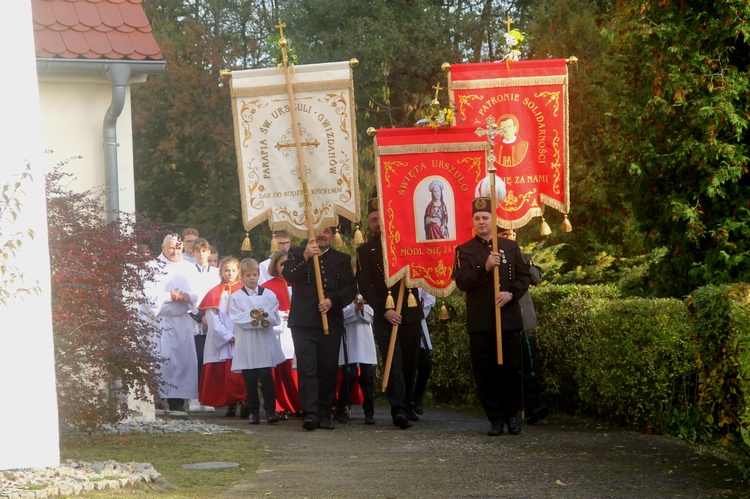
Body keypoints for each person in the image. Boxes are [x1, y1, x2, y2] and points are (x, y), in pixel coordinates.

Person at [451, 197, 531, 436]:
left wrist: (510, 293)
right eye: (477, 218)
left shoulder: (510, 247)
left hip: (507, 320)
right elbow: (462, 282)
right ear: (473, 222)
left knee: (512, 370)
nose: (482, 221)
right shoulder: (464, 250)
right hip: (481, 321)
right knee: (485, 372)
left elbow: (524, 277)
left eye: (486, 217)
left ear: (493, 220)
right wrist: (484, 267)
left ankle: (511, 417)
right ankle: (495, 418)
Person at [357, 191, 423, 429]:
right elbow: (364, 284)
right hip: (385, 314)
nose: (378, 224)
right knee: (392, 361)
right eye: (374, 219)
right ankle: (398, 410)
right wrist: (383, 310)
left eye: (381, 218)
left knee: (410, 361)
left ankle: (408, 402)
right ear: (369, 222)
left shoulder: (407, 242)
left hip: (411, 310)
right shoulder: (365, 251)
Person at [282, 226, 356, 431]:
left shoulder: (341, 258)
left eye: (327, 231)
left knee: (327, 369)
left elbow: (350, 288)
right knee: (307, 369)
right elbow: (289, 275)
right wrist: (306, 256)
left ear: (332, 235)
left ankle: (324, 413)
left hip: (330, 322)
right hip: (303, 323)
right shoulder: (297, 252)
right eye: (318, 230)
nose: (322, 235)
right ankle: (310, 413)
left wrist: (333, 300)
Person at [140, 233, 199, 412]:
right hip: (160, 322)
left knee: (182, 362)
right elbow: (146, 296)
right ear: (163, 247)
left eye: (178, 247)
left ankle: (178, 402)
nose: (175, 251)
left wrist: (189, 296)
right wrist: (168, 297)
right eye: (171, 247)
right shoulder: (150, 267)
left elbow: (198, 292)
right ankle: (157, 399)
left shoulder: (189, 267)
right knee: (161, 361)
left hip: (182, 321)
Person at [499, 228, 548, 425]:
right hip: (505, 320)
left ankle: (532, 407)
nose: (510, 238)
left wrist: (521, 258)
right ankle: (510, 408)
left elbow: (536, 278)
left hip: (524, 319)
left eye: (512, 235)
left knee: (530, 367)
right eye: (504, 235)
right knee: (510, 368)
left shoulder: (523, 257)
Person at [229, 258, 284, 424]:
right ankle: (253, 411)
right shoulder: (236, 297)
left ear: (259, 275)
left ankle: (270, 411)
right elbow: (236, 318)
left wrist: (265, 314)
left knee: (266, 377)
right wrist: (254, 315)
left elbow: (276, 316)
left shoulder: (268, 294)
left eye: (254, 274)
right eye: (248, 275)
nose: (252, 278)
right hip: (247, 341)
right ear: (242, 277)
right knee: (250, 378)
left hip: (264, 341)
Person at [197, 256, 247, 415]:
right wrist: (226, 336)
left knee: (240, 374)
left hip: (241, 336)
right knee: (224, 375)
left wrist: (239, 335)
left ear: (238, 271)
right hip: (221, 339)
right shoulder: (214, 292)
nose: (230, 273)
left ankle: (244, 402)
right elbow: (212, 318)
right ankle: (230, 404)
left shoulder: (245, 291)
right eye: (227, 270)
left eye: (233, 270)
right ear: (221, 272)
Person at [261, 250, 301, 418]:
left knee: (295, 370)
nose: (285, 267)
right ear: (275, 265)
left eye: (288, 264)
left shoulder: (299, 284)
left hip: (296, 331)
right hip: (277, 332)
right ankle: (280, 405)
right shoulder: (266, 287)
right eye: (282, 264)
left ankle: (299, 403)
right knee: (278, 369)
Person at [187, 237, 220, 413]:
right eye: (198, 251)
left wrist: (211, 317)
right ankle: (194, 397)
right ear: (193, 253)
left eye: (204, 251)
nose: (201, 254)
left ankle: (208, 397)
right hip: (194, 322)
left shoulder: (216, 273)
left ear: (209, 252)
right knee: (196, 360)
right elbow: (187, 299)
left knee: (209, 361)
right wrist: (200, 316)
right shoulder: (187, 272)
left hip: (213, 320)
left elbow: (219, 297)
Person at [335, 287, 377, 425]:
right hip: (350, 337)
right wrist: (354, 309)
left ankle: (369, 412)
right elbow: (340, 315)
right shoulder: (344, 291)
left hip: (364, 337)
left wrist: (363, 308)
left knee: (367, 376)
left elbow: (372, 315)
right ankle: (340, 408)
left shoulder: (368, 291)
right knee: (350, 375)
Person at [413, 289, 436, 416]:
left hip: (418, 322)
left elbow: (430, 297)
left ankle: (418, 396)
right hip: (402, 322)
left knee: (425, 364)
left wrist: (419, 312)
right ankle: (407, 401)